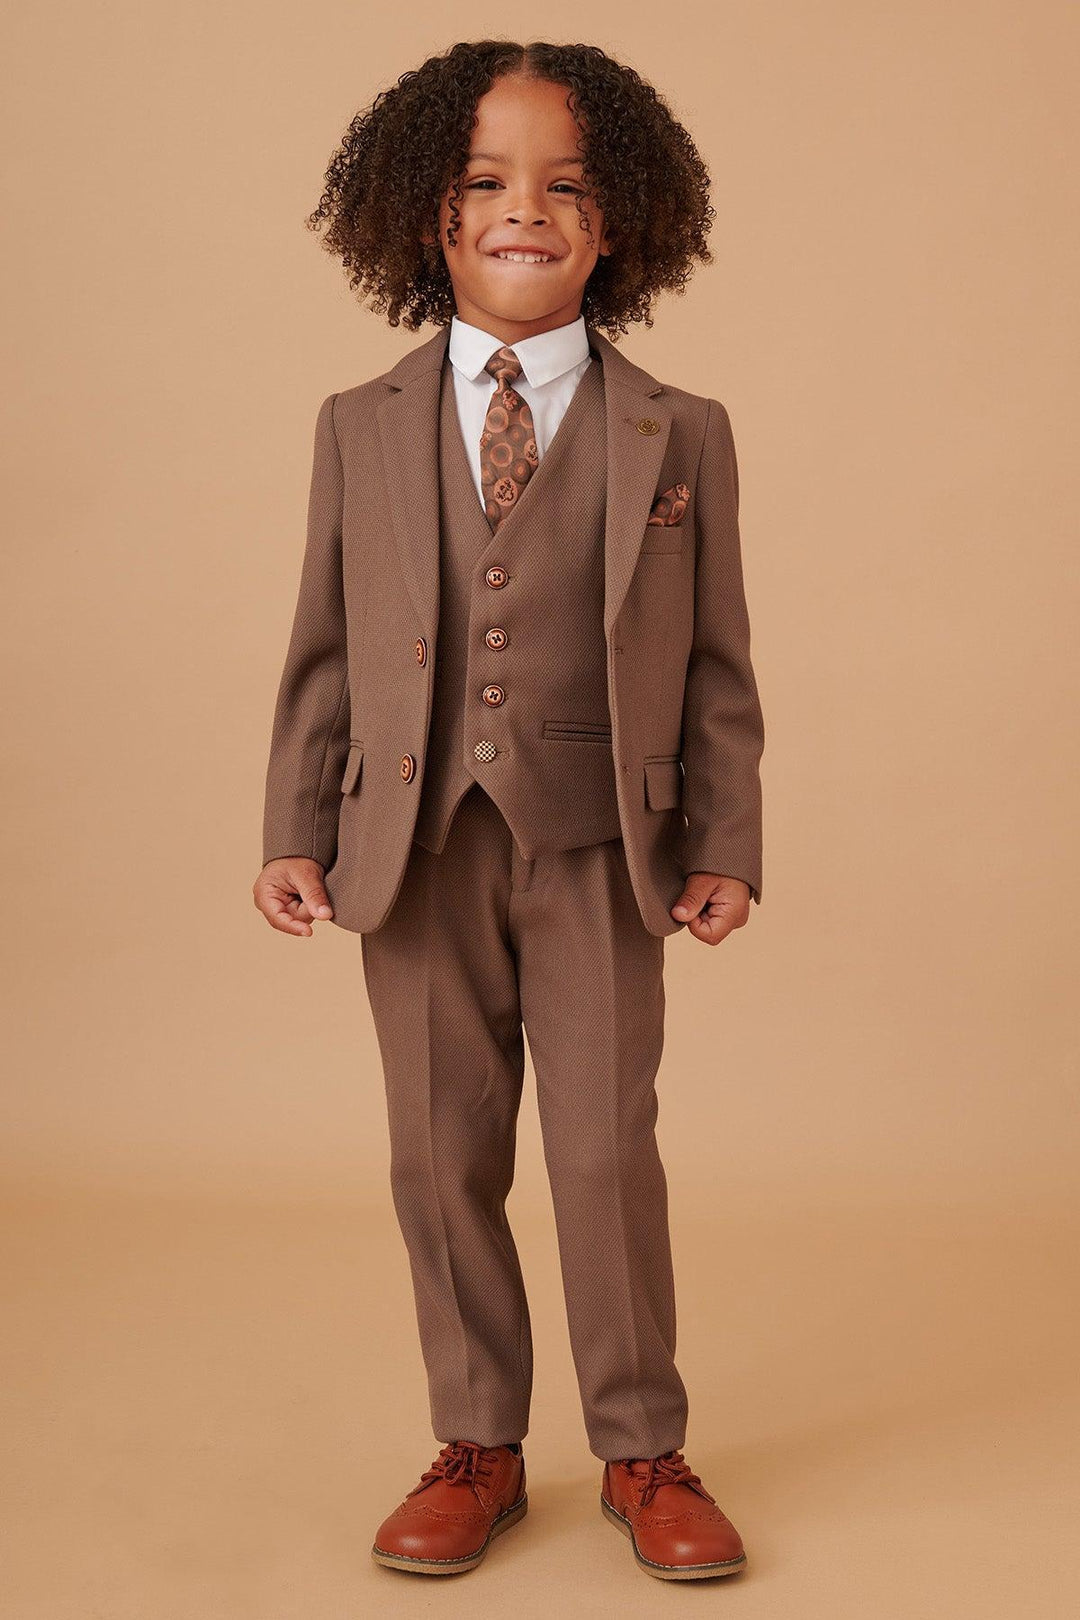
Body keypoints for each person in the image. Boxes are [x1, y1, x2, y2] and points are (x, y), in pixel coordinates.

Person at [253, 39, 764, 1582]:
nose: (521, 210)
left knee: (605, 1151)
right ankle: (477, 1443)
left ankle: (641, 1447)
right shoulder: (363, 419)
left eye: (564, 185)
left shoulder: (680, 429)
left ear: (620, 226)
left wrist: (726, 840)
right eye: (482, 182)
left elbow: (721, 658)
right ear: (428, 216)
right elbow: (325, 640)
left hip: (604, 843)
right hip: (403, 841)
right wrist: (293, 820)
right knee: (437, 1149)